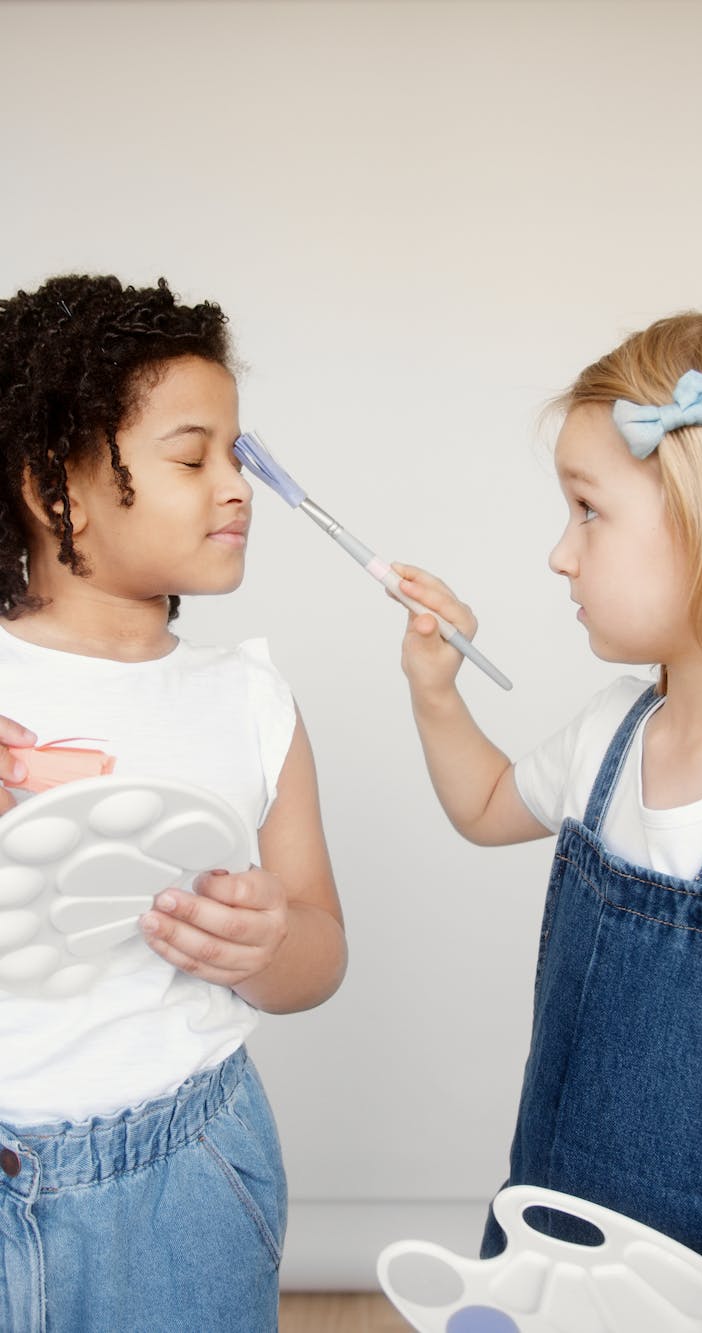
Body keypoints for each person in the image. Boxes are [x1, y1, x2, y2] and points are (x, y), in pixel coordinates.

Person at [0, 273, 347, 1332]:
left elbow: (320, 954)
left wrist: (264, 940)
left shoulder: (249, 701)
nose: (235, 485)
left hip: (185, 1178)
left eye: (237, 455)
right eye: (193, 457)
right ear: (50, 483)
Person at [394, 308, 702, 1284]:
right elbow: (486, 804)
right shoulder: (611, 732)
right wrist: (436, 688)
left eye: (588, 509)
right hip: (551, 1245)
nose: (560, 552)